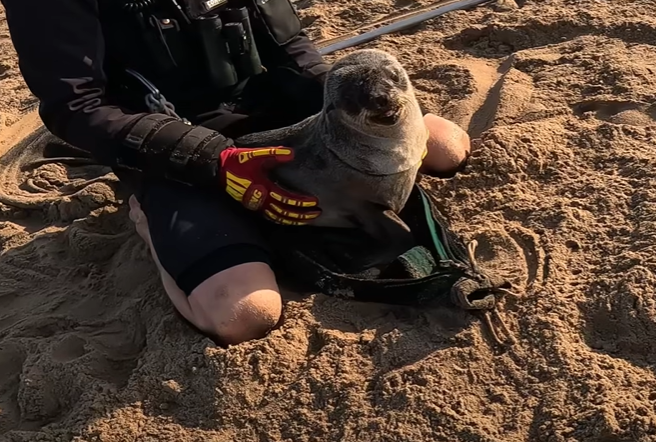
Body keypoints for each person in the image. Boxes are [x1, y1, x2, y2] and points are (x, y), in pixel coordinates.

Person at [2, 0, 471, 346]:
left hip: (269, 107)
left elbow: (292, 49)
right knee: (244, 314)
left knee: (446, 148)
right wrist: (217, 159)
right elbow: (76, 107)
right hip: (165, 147)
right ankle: (149, 220)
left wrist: (340, 108)